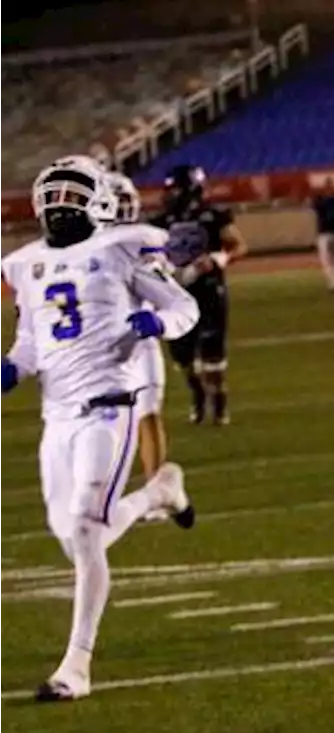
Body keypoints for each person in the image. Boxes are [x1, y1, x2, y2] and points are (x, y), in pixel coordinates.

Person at [0, 156, 198, 701]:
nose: (60, 204)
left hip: (110, 405)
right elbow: (31, 342)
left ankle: (76, 666)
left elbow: (184, 307)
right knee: (72, 535)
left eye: (72, 193)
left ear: (98, 201)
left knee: (86, 530)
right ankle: (159, 490)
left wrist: (156, 321)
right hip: (56, 415)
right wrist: (12, 368)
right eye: (53, 194)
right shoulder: (23, 264)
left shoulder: (121, 248)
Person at [105, 171, 196, 527]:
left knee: (147, 414)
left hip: (140, 342)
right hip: (97, 349)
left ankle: (158, 488)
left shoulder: (144, 240)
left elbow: (169, 280)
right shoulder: (80, 247)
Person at [151, 164, 248, 426]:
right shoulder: (160, 222)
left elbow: (238, 246)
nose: (169, 195)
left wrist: (218, 259)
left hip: (208, 291)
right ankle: (197, 393)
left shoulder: (213, 216)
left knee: (212, 352)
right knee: (182, 356)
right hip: (175, 296)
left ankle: (219, 400)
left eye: (175, 189)